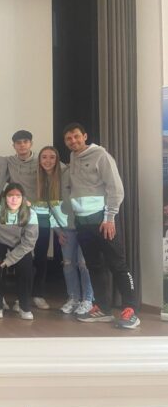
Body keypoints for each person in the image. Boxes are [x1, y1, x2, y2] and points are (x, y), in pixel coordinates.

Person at [63, 123, 139, 328]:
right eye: (69, 138)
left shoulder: (101, 155)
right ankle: (103, 309)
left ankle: (131, 309)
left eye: (76, 136)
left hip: (103, 222)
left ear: (85, 136)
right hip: (83, 223)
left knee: (118, 265)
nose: (73, 141)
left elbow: (116, 188)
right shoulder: (73, 157)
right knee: (94, 267)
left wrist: (110, 218)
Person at [35, 146, 94, 315]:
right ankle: (73, 298)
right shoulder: (42, 180)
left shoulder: (68, 173)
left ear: (57, 159)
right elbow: (49, 209)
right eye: (44, 157)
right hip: (65, 229)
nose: (48, 161)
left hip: (83, 226)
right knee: (68, 264)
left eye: (52, 157)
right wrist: (57, 230)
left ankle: (88, 300)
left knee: (83, 264)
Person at [0, 183, 38, 320]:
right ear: (4, 198)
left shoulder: (31, 213)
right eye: (10, 196)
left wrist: (9, 260)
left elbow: (29, 242)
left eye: (18, 196)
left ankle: (23, 306)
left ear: (23, 198)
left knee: (26, 266)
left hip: (20, 245)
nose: (14, 199)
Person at [6, 130, 38, 203]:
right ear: (14, 146)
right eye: (18, 142)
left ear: (31, 144)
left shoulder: (41, 160)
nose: (22, 145)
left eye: (25, 142)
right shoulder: (9, 161)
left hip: (37, 203)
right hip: (17, 204)